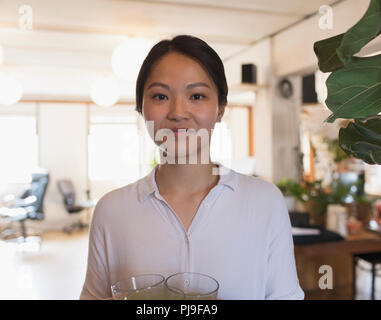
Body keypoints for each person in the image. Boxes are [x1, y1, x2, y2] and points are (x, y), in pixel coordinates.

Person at [80, 34, 304, 300]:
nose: (177, 112)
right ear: (141, 108)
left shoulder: (265, 201)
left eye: (196, 95)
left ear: (220, 109)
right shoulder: (111, 210)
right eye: (160, 96)